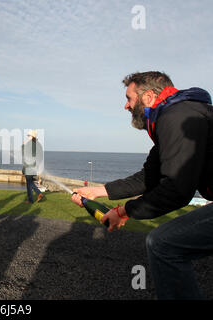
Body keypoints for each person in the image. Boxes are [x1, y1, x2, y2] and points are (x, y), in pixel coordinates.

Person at [71, 71, 213, 300]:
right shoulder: (178, 114)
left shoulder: (175, 118)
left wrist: (124, 211)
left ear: (147, 96)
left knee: (162, 244)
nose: (126, 106)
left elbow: (176, 190)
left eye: (129, 98)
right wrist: (99, 191)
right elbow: (149, 176)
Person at [22, 130, 44, 203]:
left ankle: (36, 194)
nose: (27, 137)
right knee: (30, 182)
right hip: (34, 167)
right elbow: (40, 157)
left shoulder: (29, 144)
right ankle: (31, 198)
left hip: (29, 167)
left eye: (29, 135)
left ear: (32, 136)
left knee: (29, 183)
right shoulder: (38, 144)